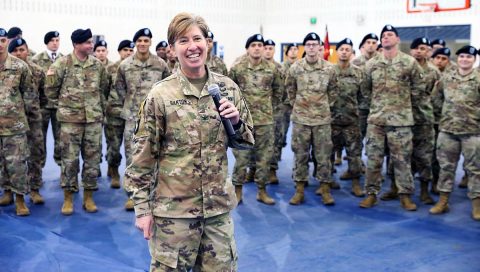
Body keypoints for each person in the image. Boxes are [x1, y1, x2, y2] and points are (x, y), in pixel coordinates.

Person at [124, 12, 253, 271]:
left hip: (217, 213)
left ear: (208, 43)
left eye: (197, 38)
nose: (192, 46)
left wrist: (237, 122)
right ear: (172, 49)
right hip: (174, 215)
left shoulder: (227, 88)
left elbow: (245, 142)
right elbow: (142, 157)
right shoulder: (159, 95)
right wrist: (142, 209)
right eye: (183, 41)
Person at [359, 25, 424, 211]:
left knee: (402, 160)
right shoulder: (371, 64)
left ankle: (405, 195)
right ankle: (371, 194)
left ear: (397, 39)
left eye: (390, 35)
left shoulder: (409, 62)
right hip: (377, 121)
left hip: (401, 121)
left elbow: (419, 88)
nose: (386, 38)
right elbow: (365, 90)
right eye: (383, 36)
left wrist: (402, 104)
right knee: (373, 159)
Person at [45, 28, 109, 215]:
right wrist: (66, 107)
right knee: (69, 161)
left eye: (91, 42)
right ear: (76, 44)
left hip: (93, 121)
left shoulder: (97, 66)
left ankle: (89, 196)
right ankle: (68, 198)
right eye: (88, 42)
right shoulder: (62, 64)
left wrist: (97, 109)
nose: (91, 45)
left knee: (92, 160)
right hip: (70, 122)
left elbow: (104, 88)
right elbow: (50, 91)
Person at [108, 28, 170, 210]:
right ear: (135, 43)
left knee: (156, 156)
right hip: (132, 120)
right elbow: (118, 92)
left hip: (155, 120)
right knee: (132, 158)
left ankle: (154, 193)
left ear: (150, 42)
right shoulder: (125, 65)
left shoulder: (160, 65)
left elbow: (168, 90)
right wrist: (121, 113)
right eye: (140, 41)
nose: (143, 43)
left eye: (146, 40)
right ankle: (133, 195)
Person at [229, 34, 283, 205]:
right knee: (242, 158)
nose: (258, 48)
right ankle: (238, 190)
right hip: (243, 121)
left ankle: (262, 190)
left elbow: (278, 92)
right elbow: (230, 91)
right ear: (247, 49)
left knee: (264, 157)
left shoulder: (272, 68)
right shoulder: (238, 68)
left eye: (260, 45)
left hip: (265, 121)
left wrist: (268, 109)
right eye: (253, 45)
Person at [285, 32, 337, 205]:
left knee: (323, 156)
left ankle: (325, 190)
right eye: (309, 44)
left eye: (315, 44)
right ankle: (299, 190)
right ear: (304, 47)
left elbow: (334, 92)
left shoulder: (329, 68)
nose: (312, 47)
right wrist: (300, 106)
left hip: (322, 120)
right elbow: (290, 90)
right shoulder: (296, 68)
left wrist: (322, 107)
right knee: (300, 155)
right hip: (301, 120)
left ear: (320, 47)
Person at [430, 45, 480, 221]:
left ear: (474, 60)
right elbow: (436, 99)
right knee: (446, 167)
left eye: (469, 57)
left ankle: (476, 205)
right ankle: (443, 201)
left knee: (475, 170)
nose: (465, 59)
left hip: (473, 132)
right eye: (462, 56)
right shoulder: (447, 77)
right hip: (448, 131)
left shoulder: (478, 78)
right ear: (457, 59)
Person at [0, 28, 41, 216]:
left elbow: (30, 95)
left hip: (14, 125)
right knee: (1, 163)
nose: (0, 44)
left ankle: (20, 199)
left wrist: (32, 122)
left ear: (7, 42)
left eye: (2, 40)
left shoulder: (19, 67)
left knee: (17, 164)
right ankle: (6, 192)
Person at [9, 38, 46, 205]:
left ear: (27, 50)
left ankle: (35, 188)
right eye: (15, 50)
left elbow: (45, 96)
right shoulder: (6, 70)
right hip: (12, 121)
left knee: (35, 154)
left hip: (33, 120)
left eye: (21, 50)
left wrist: (37, 111)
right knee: (11, 157)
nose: (19, 53)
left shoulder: (38, 71)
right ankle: (9, 190)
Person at [330, 38, 365, 197]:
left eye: (347, 49)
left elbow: (363, 96)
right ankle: (327, 181)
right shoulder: (328, 72)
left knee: (354, 153)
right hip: (331, 121)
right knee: (327, 153)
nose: (344, 51)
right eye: (341, 49)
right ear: (337, 52)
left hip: (351, 121)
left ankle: (356, 183)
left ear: (352, 53)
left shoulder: (358, 73)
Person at [409, 37, 440, 205]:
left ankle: (424, 191)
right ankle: (396, 188)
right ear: (412, 50)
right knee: (401, 156)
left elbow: (434, 95)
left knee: (425, 156)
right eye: (418, 48)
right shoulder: (404, 67)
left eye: (425, 48)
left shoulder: (434, 71)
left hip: (425, 119)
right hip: (405, 118)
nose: (421, 51)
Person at [104, 39, 134, 189]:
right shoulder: (110, 68)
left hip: (130, 114)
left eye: (130, 50)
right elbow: (104, 89)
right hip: (114, 113)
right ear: (119, 52)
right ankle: (114, 171)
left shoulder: (135, 69)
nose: (128, 53)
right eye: (125, 50)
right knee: (114, 147)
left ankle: (129, 178)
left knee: (131, 149)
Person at [32, 31, 63, 167]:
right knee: (39, 138)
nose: (55, 43)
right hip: (42, 105)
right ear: (47, 43)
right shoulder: (36, 60)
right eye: (52, 40)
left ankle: (62, 165)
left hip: (59, 105)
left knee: (61, 138)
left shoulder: (64, 59)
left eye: (57, 40)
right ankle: (39, 167)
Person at [264, 38, 286, 184]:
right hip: (258, 111)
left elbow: (283, 90)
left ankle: (272, 170)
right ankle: (253, 169)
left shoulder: (279, 68)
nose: (268, 50)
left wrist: (276, 105)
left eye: (271, 48)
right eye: (266, 48)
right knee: (256, 141)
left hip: (276, 111)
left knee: (276, 141)